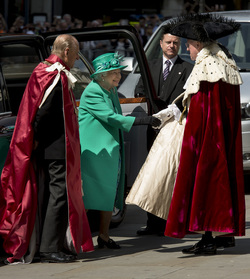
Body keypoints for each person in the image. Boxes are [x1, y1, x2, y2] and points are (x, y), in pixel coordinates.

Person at [0, 34, 94, 264]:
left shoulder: (44, 69)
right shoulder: (56, 75)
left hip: (46, 147)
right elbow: (42, 115)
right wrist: (38, 141)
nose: (75, 59)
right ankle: (50, 246)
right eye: (74, 54)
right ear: (66, 52)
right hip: (54, 147)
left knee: (47, 195)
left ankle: (52, 243)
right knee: (58, 195)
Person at [164, 13, 245, 255]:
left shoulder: (208, 67)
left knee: (207, 184)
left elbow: (202, 112)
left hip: (208, 141)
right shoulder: (225, 62)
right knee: (222, 181)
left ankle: (209, 237)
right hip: (222, 139)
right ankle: (224, 234)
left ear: (198, 45)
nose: (187, 49)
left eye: (188, 45)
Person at [78, 52, 161, 249]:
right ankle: (71, 237)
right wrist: (142, 120)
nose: (118, 76)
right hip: (95, 153)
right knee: (89, 197)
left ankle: (104, 237)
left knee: (108, 194)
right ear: (101, 75)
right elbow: (111, 118)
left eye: (119, 72)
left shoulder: (110, 90)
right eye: (113, 73)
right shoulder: (93, 91)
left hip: (109, 150)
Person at [135, 28, 193, 236]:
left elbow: (189, 97)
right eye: (168, 42)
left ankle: (178, 222)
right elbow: (139, 91)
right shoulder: (149, 67)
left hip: (175, 128)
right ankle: (154, 223)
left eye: (176, 43)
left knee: (174, 175)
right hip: (154, 127)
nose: (172, 46)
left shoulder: (187, 68)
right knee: (154, 175)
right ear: (160, 44)